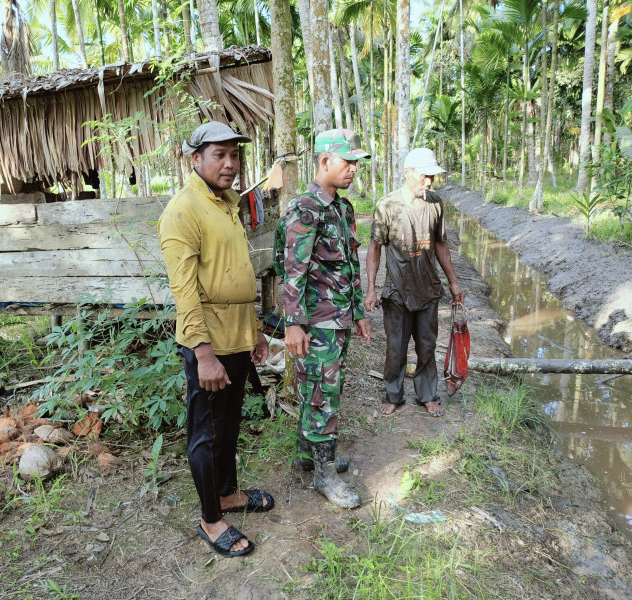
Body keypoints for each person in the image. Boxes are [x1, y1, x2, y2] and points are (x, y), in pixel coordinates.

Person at [158, 122, 272, 558]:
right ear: (196, 159)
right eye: (219, 155)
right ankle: (211, 518)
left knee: (229, 425)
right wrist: (203, 355)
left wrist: (256, 331)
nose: (229, 164)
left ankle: (226, 492)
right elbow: (185, 290)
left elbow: (236, 272)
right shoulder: (183, 211)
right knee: (206, 433)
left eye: (234, 155)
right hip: (208, 343)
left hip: (237, 336)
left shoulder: (227, 204)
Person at [283, 129, 372, 509]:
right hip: (316, 322)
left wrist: (359, 313)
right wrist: (293, 322)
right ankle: (324, 475)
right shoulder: (305, 208)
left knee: (317, 389)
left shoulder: (342, 208)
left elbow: (350, 265)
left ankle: (309, 454)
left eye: (356, 163)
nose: (353, 169)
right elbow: (292, 270)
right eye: (347, 161)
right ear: (324, 162)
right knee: (322, 394)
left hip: (338, 318)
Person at [364, 148, 465, 417]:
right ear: (408, 174)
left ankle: (427, 395)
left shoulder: (435, 204)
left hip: (428, 289)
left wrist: (453, 282)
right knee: (395, 348)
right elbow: (375, 248)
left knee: (427, 345)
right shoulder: (387, 205)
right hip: (397, 291)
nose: (429, 181)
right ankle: (393, 395)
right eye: (424, 175)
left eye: (432, 176)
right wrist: (371, 288)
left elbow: (441, 245)